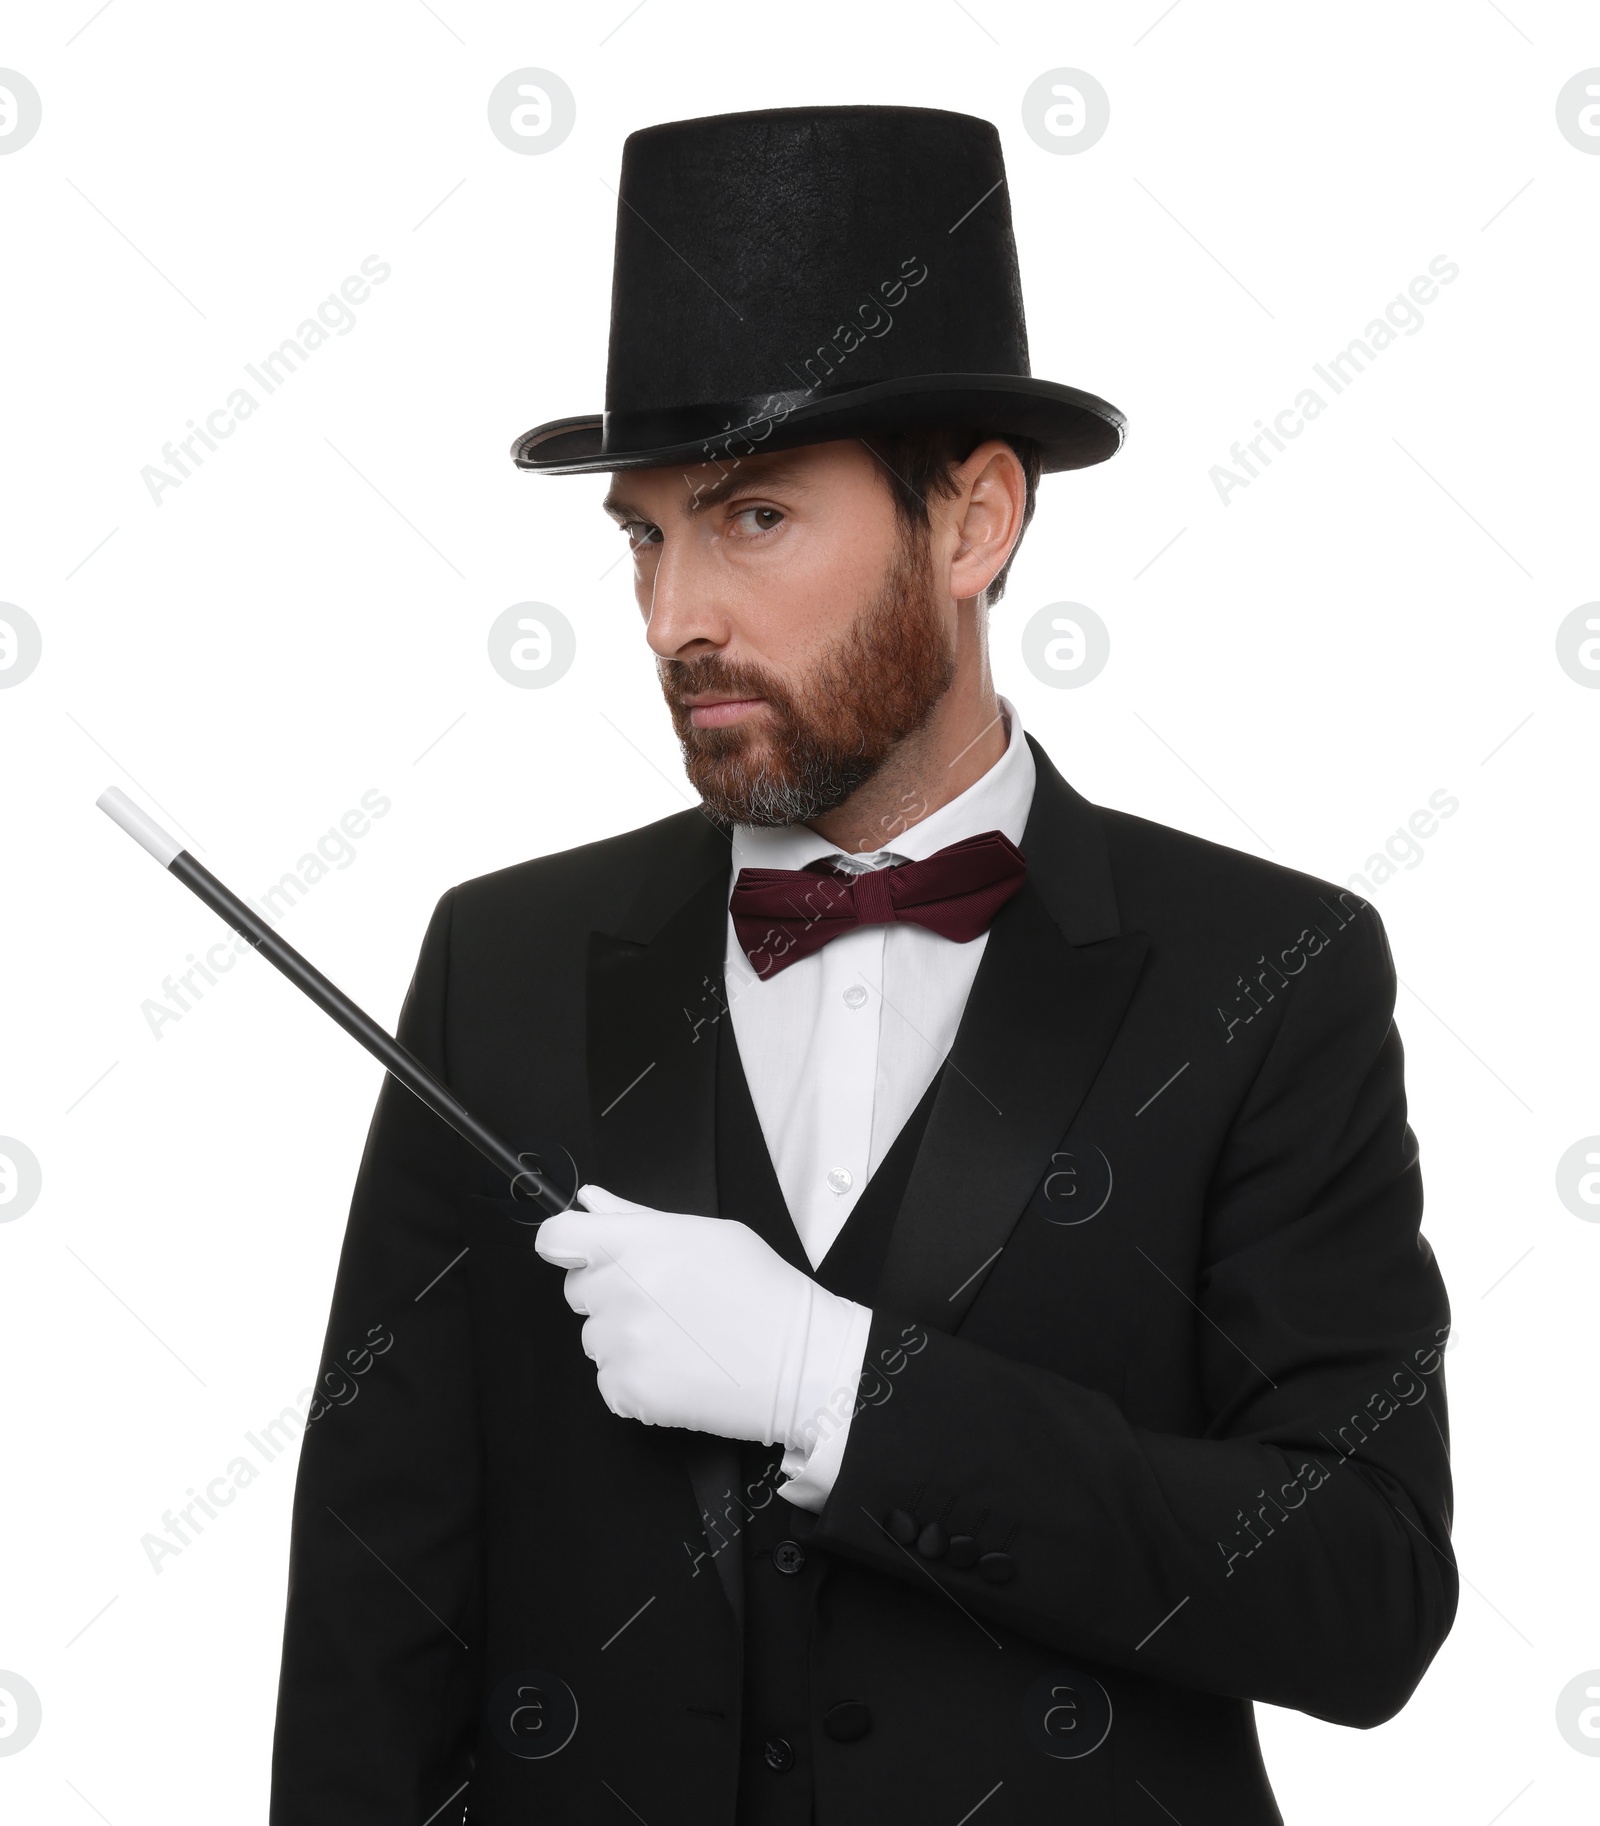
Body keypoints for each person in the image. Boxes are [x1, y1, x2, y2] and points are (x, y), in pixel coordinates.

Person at [269, 105, 1455, 1826]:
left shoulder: (1271, 973)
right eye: (644, 536)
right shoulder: (499, 960)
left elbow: (1364, 1593)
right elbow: (377, 1613)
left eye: (751, 517)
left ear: (974, 524)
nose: (678, 612)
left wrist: (838, 1382)